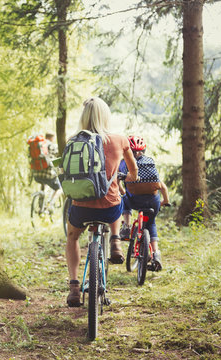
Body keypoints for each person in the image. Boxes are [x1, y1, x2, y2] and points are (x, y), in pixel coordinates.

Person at [65, 97, 138, 307]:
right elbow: (133, 171)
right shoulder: (120, 140)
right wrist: (129, 178)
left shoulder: (73, 141)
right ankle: (115, 240)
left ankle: (74, 287)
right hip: (109, 209)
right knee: (119, 199)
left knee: (72, 238)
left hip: (81, 208)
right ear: (106, 116)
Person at [118, 135, 170, 271]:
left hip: (135, 200)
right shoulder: (150, 162)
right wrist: (165, 201)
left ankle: (127, 226)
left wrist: (123, 192)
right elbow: (161, 185)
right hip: (153, 201)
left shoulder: (123, 163)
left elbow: (117, 182)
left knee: (124, 200)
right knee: (151, 223)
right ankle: (156, 254)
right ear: (144, 150)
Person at [31, 131, 63, 208]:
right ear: (52, 137)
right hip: (48, 174)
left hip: (36, 174)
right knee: (59, 189)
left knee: (44, 184)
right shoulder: (51, 145)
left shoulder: (40, 145)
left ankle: (40, 206)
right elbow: (57, 156)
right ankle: (49, 205)